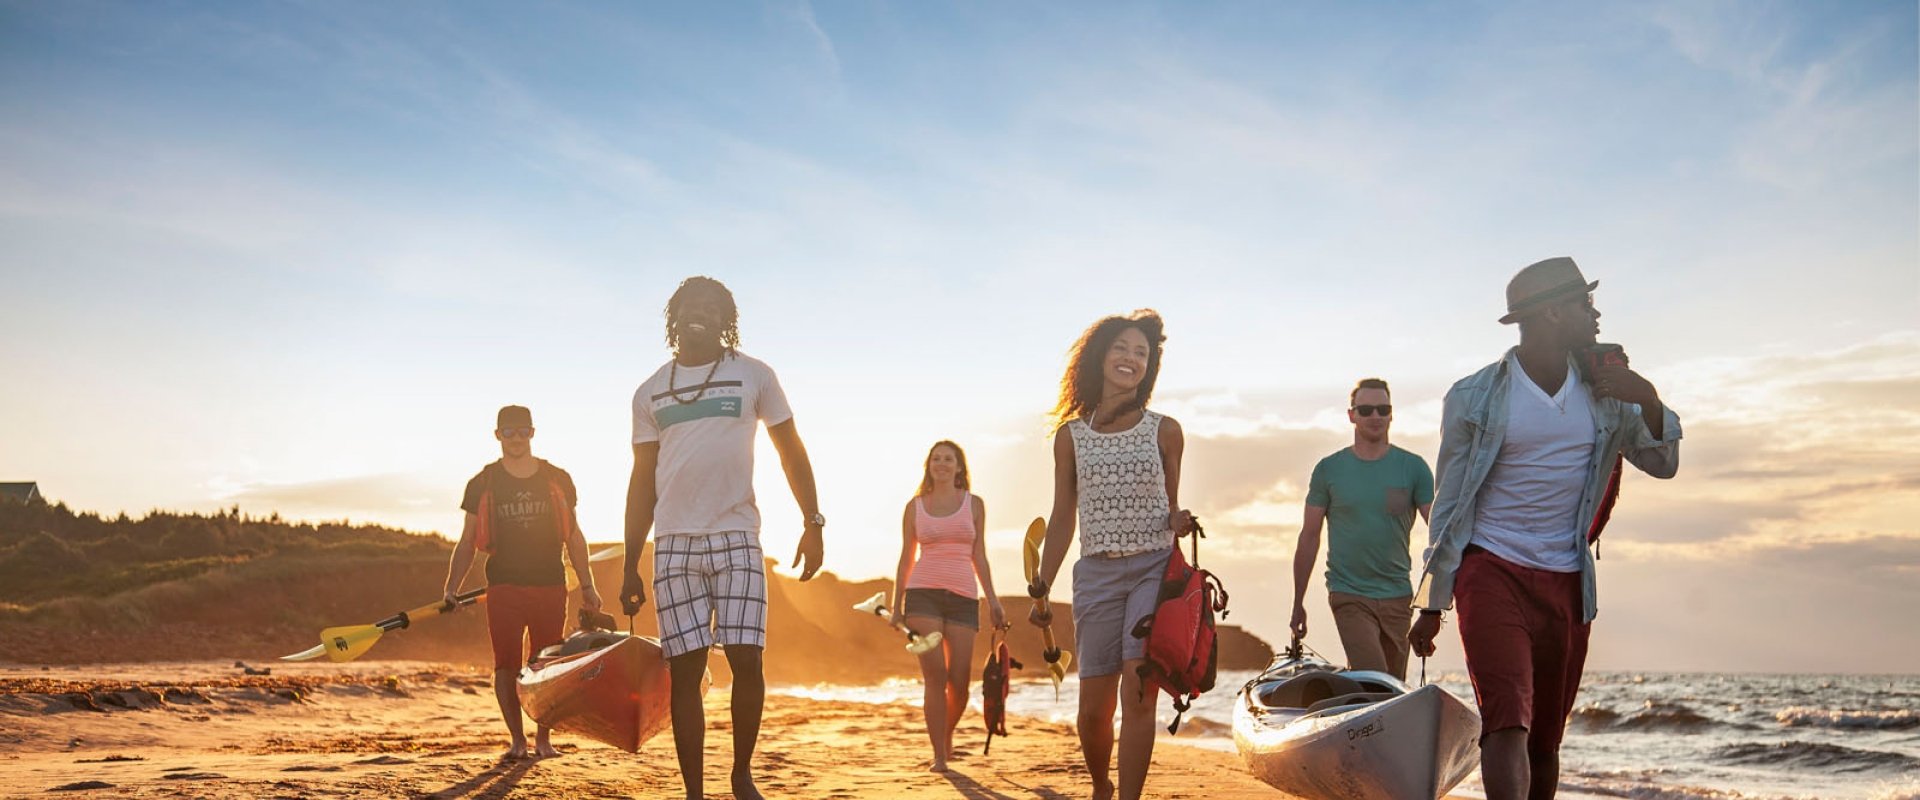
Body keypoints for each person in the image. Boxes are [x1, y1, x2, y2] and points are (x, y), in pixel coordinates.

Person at [1409, 257, 1681, 800]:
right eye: (1585, 303)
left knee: (1546, 744)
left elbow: (1663, 463)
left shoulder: (1609, 392)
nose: (1595, 313)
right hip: (1490, 570)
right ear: (1553, 312)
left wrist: (1647, 398)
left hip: (1566, 581)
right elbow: (1451, 502)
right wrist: (1433, 601)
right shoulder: (1474, 396)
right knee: (1507, 719)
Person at [619, 276, 825, 800]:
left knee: (746, 658)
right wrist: (629, 564)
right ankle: (694, 790)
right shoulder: (650, 391)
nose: (701, 315)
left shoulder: (754, 375)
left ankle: (741, 774)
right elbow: (642, 480)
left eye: (712, 309)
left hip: (737, 536)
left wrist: (812, 520)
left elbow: (791, 450)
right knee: (684, 673)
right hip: (675, 545)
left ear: (725, 319)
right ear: (675, 316)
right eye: (691, 307)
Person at [1028, 310, 1198, 800]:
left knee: (1139, 692)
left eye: (1141, 353)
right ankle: (1102, 785)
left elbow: (1170, 507)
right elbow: (1063, 516)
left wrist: (1179, 519)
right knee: (1093, 711)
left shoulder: (1165, 430)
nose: (1130, 359)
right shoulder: (1071, 437)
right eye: (1122, 348)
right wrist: (1042, 580)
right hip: (1096, 575)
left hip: (1152, 569)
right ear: (1100, 356)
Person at [441, 404, 603, 760]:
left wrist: (588, 585)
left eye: (523, 431)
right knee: (507, 665)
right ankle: (518, 741)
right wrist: (451, 588)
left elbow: (574, 536)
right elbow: (467, 541)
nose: (516, 438)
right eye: (509, 432)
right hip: (503, 587)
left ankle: (544, 740)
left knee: (545, 664)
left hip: (550, 584)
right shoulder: (482, 482)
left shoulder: (557, 477)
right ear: (497, 435)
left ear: (533, 432)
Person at [1289, 378, 1434, 680]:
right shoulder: (1329, 469)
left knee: (1393, 689)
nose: (1375, 416)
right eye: (1366, 410)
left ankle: (1360, 719)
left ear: (1391, 414)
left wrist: (1432, 605)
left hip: (1398, 596)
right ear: (1352, 415)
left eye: (1383, 409)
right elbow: (1310, 536)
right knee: (1376, 679)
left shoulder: (1414, 467)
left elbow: (1440, 535)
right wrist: (1298, 601)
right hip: (1348, 593)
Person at [891, 439, 1008, 772]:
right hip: (922, 595)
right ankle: (939, 755)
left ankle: (945, 735)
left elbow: (979, 555)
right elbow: (905, 559)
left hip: (963, 597)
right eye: (936, 459)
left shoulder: (974, 505)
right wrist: (898, 605)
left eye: (949, 459)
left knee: (960, 681)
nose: (941, 463)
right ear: (929, 466)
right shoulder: (915, 507)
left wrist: (994, 600)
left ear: (959, 467)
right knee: (935, 677)